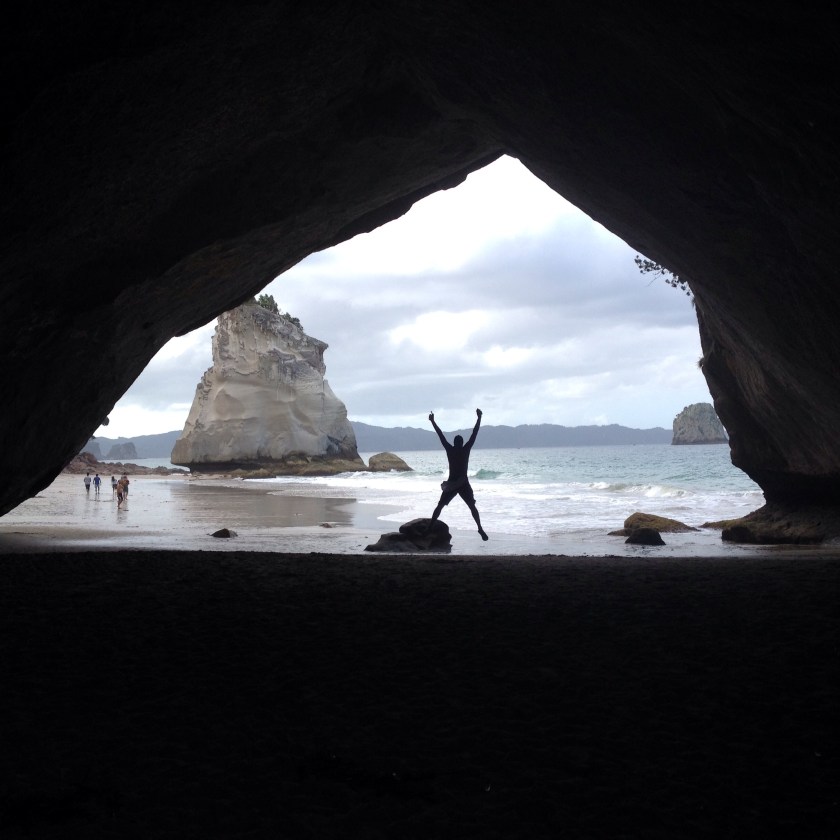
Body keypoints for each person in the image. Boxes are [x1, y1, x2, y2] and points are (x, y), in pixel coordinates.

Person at [429, 408, 488, 540]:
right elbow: (474, 433)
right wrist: (479, 418)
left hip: (452, 483)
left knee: (440, 505)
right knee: (472, 507)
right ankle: (480, 528)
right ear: (461, 443)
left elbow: (440, 435)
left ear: (455, 443)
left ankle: (430, 527)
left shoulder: (450, 450)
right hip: (462, 482)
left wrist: (433, 421)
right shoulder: (465, 449)